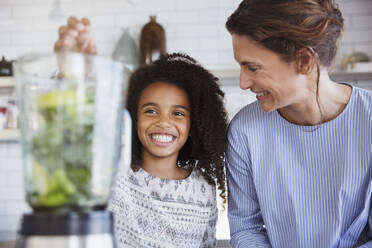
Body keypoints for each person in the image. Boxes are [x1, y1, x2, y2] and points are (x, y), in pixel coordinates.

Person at [54, 17, 228, 248]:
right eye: (151, 111)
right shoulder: (112, 175)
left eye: (177, 114)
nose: (163, 122)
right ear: (133, 118)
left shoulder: (204, 189)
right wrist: (72, 75)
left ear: (194, 125)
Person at [224, 0, 372, 247]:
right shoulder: (245, 130)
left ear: (304, 60)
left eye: (252, 67)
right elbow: (246, 228)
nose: (243, 82)